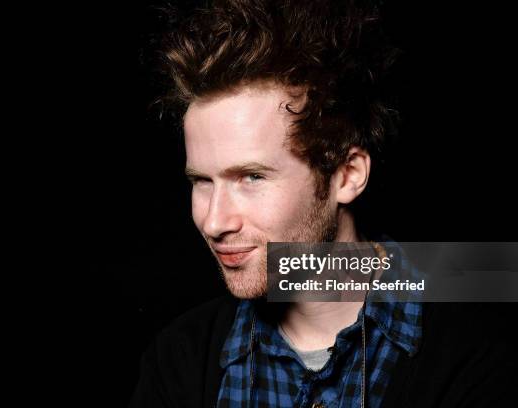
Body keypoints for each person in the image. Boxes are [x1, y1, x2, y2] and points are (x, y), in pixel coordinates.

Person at [130, 1, 515, 406]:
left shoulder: (477, 353)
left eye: (252, 177)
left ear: (346, 176)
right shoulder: (179, 360)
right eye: (202, 181)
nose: (213, 221)